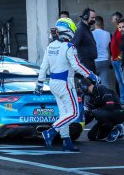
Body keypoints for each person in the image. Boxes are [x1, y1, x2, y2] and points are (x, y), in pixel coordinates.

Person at [35, 18, 99, 152]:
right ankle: (51, 132)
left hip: (53, 83)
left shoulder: (50, 46)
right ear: (68, 31)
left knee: (64, 114)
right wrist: (91, 75)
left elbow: (43, 66)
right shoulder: (69, 47)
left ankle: (66, 141)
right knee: (74, 113)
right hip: (65, 84)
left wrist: (39, 83)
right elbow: (77, 66)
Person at [78, 78, 124, 142]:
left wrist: (95, 111)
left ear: (84, 86)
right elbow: (90, 115)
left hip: (118, 112)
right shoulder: (91, 98)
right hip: (104, 115)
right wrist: (78, 125)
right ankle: (117, 130)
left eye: (80, 87)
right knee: (91, 136)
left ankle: (116, 127)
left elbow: (110, 105)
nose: (80, 89)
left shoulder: (101, 88)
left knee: (96, 113)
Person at [71, 8, 97, 73]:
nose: (94, 20)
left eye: (94, 18)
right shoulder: (80, 29)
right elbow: (73, 46)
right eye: (92, 18)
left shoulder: (86, 28)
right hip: (85, 65)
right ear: (86, 17)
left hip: (90, 64)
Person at [92, 16, 111, 88]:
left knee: (93, 82)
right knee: (105, 81)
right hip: (105, 60)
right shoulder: (108, 34)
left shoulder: (91, 33)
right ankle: (108, 98)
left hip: (95, 61)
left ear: (94, 24)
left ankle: (95, 98)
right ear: (102, 24)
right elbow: (109, 47)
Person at [110, 13, 124, 104]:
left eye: (114, 18)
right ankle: (122, 100)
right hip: (116, 60)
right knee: (120, 82)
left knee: (122, 81)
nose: (113, 20)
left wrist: (118, 57)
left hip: (119, 61)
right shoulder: (117, 30)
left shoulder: (121, 32)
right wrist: (113, 56)